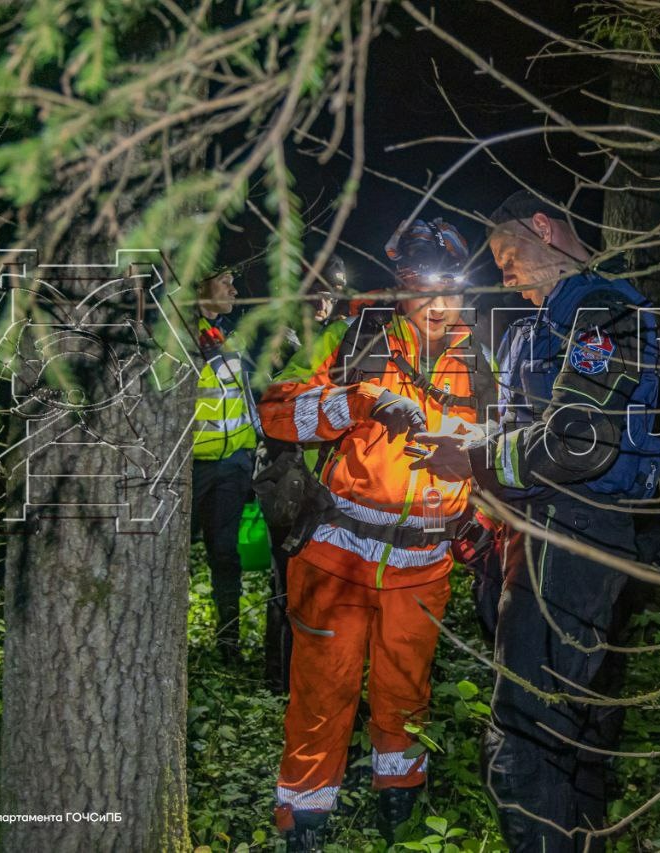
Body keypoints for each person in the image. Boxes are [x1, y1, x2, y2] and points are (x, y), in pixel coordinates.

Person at [415, 191, 660, 852]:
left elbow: (579, 440)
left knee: (524, 740)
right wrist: (472, 441)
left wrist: (470, 459)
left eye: (508, 262)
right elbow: (530, 424)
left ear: (544, 228)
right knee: (570, 730)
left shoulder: (600, 308)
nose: (508, 281)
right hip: (536, 535)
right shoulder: (548, 319)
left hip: (572, 535)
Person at [258, 219, 494, 852]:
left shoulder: (484, 356)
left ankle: (401, 802)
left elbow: (503, 446)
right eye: (424, 290)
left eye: (451, 292)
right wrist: (356, 403)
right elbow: (277, 410)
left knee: (405, 693)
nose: (440, 307)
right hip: (337, 555)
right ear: (400, 287)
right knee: (322, 691)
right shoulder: (351, 335)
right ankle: (303, 819)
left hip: (425, 563)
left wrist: (482, 510)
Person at [263, 253, 350, 694]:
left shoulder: (345, 342)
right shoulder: (276, 339)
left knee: (321, 583)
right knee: (286, 576)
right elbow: (277, 404)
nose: (322, 301)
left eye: (330, 292)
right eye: (314, 290)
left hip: (324, 479)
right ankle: (280, 677)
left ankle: (313, 675)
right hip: (285, 473)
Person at [193, 269, 260, 663]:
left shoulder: (233, 333)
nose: (234, 289)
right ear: (200, 287)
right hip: (187, 466)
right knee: (168, 557)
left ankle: (228, 644)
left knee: (226, 555)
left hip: (232, 464)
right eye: (225, 283)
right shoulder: (179, 332)